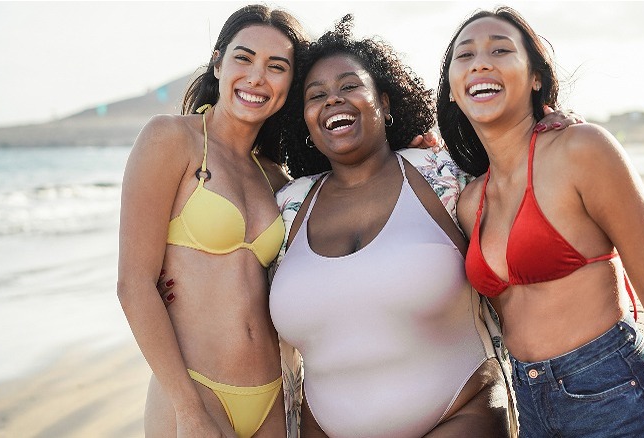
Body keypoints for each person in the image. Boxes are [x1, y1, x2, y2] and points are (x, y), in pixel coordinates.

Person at [438, 6, 644, 437]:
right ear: (452, 89)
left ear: (536, 76)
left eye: (500, 50)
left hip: (611, 391)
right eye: (464, 56)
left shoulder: (582, 150)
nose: (481, 62)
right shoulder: (469, 200)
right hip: (527, 403)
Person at [268, 15, 511, 437]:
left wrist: (552, 128)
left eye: (349, 86)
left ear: (384, 101)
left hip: (459, 416)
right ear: (304, 119)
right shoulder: (288, 204)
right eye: (316, 94)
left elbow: (525, 183)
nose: (333, 100)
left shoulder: (443, 173)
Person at [117, 5, 309, 437]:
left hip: (272, 395)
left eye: (276, 66)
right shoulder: (171, 139)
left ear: (290, 84)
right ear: (218, 63)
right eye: (244, 58)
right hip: (197, 392)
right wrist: (186, 408)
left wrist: (410, 144)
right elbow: (133, 284)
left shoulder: (277, 178)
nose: (257, 77)